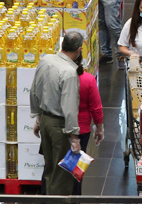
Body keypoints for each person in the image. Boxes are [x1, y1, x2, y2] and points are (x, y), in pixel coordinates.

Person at [31, 31, 84, 195]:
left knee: (49, 169)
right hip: (60, 127)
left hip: (45, 120)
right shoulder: (69, 73)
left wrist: (38, 118)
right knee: (61, 175)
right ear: (79, 50)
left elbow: (34, 90)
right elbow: (69, 107)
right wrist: (74, 137)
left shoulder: (46, 60)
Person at [71, 69, 104, 195]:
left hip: (58, 126)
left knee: (53, 169)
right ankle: (75, 197)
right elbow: (96, 107)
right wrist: (99, 129)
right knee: (76, 170)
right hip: (81, 129)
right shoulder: (88, 79)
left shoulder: (56, 74)